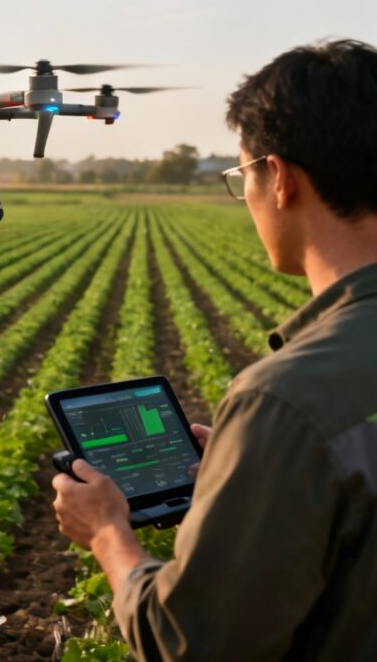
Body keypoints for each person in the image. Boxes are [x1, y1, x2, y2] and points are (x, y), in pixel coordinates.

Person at [52, 38, 377, 661]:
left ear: (279, 178)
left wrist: (108, 533)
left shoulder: (283, 402)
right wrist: (259, 487)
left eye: (241, 176)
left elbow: (193, 644)